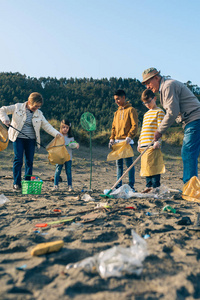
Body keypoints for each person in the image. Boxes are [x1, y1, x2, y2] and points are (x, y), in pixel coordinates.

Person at [141, 67, 200, 184]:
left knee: (187, 152)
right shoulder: (166, 87)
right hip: (192, 121)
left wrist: (159, 131)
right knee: (190, 152)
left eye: (148, 82)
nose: (147, 87)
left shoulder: (168, 86)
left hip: (195, 119)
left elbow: (172, 112)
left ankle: (190, 187)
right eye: (145, 84)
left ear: (156, 78)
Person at [0, 92, 60, 190]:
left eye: (38, 107)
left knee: (29, 161)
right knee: (18, 160)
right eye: (35, 106)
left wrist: (57, 134)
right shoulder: (17, 107)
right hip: (18, 137)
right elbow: (2, 110)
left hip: (31, 140)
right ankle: (16, 183)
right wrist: (5, 119)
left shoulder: (39, 114)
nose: (36, 108)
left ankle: (27, 184)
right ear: (29, 102)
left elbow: (47, 126)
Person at [109, 89, 138, 192]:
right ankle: (118, 185)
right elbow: (113, 127)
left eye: (118, 99)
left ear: (123, 98)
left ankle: (131, 185)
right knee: (119, 165)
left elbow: (135, 125)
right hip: (117, 141)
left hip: (127, 141)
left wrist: (130, 136)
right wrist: (112, 138)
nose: (116, 101)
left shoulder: (131, 110)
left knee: (129, 164)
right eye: (115, 99)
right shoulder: (116, 113)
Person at [138, 89, 165, 193]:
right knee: (146, 167)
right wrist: (139, 141)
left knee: (154, 167)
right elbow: (143, 129)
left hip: (153, 144)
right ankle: (148, 187)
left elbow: (160, 128)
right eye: (145, 103)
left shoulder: (159, 111)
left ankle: (155, 187)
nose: (147, 104)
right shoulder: (146, 114)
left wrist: (158, 141)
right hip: (144, 145)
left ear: (154, 98)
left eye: (149, 101)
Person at [52, 119, 79, 191]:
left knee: (68, 172)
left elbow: (73, 145)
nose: (65, 129)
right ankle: (55, 185)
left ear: (69, 128)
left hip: (68, 158)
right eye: (64, 127)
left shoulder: (71, 137)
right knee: (58, 171)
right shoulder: (58, 136)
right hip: (60, 157)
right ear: (61, 127)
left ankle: (70, 186)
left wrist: (76, 145)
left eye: (67, 127)